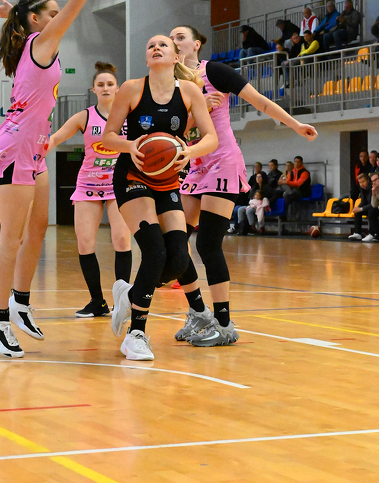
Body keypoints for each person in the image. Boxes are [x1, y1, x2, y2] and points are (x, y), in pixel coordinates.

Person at [0, 0, 112, 358]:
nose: (60, 17)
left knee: (37, 229)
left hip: (34, 148)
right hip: (15, 145)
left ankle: (20, 302)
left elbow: (24, 21)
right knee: (12, 238)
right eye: (52, 13)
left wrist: (14, 14)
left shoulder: (29, 42)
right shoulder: (41, 43)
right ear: (38, 22)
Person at [168, 25, 318, 347]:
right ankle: (198, 312)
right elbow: (175, 132)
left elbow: (259, 101)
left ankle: (224, 324)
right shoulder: (170, 84)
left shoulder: (214, 72)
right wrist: (198, 107)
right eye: (171, 38)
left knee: (207, 244)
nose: (174, 42)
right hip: (194, 164)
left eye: (180, 37)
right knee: (175, 243)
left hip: (222, 161)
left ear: (196, 44)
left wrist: (295, 125)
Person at [102, 35, 218, 361]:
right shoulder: (132, 89)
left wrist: (189, 151)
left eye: (163, 45)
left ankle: (130, 295)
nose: (155, 47)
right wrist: (130, 146)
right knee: (154, 250)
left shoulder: (189, 91)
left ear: (175, 56)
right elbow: (109, 136)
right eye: (150, 45)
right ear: (147, 57)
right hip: (133, 176)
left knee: (179, 258)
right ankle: (135, 334)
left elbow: (211, 137)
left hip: (167, 179)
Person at [47, 62, 132, 317]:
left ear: (118, 88)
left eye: (110, 84)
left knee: (121, 239)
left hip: (120, 183)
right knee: (85, 243)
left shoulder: (129, 115)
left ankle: (122, 301)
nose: (105, 88)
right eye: (100, 84)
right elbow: (56, 137)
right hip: (88, 183)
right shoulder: (84, 116)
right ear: (93, 89)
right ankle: (97, 302)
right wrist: (36, 151)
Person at [349, 173, 372, 241]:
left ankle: (372, 233)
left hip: (374, 208)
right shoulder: (362, 190)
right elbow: (363, 202)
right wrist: (358, 208)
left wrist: (361, 209)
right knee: (357, 212)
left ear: (368, 180)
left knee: (371, 211)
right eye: (360, 182)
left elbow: (373, 204)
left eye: (363, 181)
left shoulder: (372, 188)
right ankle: (357, 233)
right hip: (368, 207)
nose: (362, 184)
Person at [364, 172, 379, 242]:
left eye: (376, 180)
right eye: (373, 181)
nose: (374, 182)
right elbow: (374, 205)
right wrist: (373, 194)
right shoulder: (375, 189)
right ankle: (377, 234)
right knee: (371, 212)